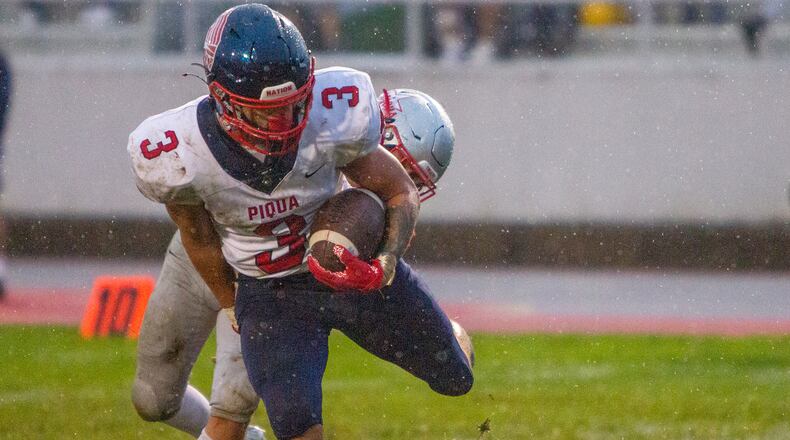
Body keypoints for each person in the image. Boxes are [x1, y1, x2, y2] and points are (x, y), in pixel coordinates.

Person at [127, 5, 472, 439]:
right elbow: (197, 236)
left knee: (233, 412)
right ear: (222, 100)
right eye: (265, 111)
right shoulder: (177, 152)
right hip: (241, 273)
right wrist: (232, 303)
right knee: (154, 399)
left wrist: (386, 258)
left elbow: (398, 190)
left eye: (293, 105)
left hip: (315, 268)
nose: (283, 122)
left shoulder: (336, 116)